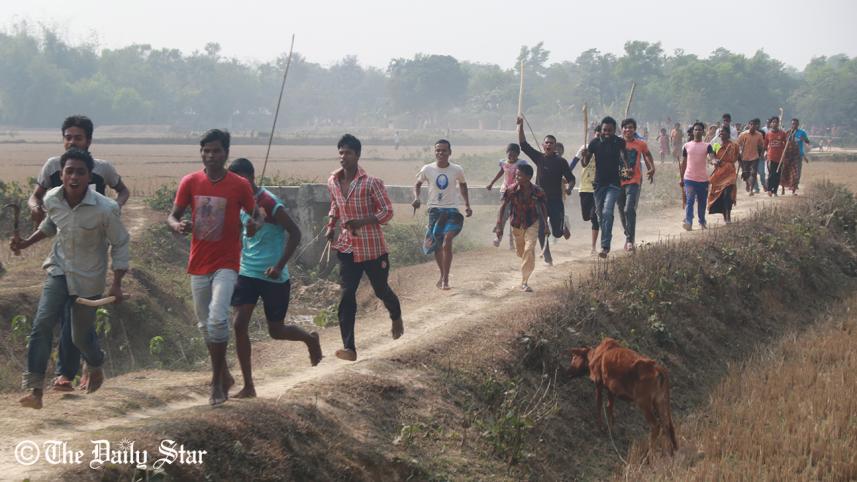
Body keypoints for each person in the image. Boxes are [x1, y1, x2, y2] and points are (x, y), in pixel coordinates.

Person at [12, 148, 129, 409]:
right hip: (59, 271)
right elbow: (50, 225)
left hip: (89, 278)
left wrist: (116, 283)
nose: (74, 177)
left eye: (80, 172)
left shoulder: (106, 209)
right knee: (42, 324)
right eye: (69, 171)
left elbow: (120, 243)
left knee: (80, 337)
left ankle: (95, 363)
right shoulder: (52, 198)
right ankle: (35, 390)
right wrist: (26, 243)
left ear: (89, 177)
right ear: (62, 174)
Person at [168, 129, 256, 405]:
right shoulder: (190, 182)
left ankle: (216, 383)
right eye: (206, 151)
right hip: (198, 262)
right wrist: (177, 226)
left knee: (218, 318)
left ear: (226, 154)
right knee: (205, 325)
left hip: (227, 263)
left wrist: (254, 224)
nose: (211, 156)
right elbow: (172, 216)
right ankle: (225, 375)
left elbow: (255, 215)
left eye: (216, 151)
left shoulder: (239, 185)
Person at [226, 158, 322, 399]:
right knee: (239, 325)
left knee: (276, 331)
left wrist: (279, 266)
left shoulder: (269, 202)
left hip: (273, 276)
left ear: (251, 177)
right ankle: (249, 386)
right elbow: (239, 233)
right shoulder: (239, 202)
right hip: (247, 272)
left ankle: (310, 340)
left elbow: (295, 232)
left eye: (240, 180)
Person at [327, 134, 403, 362]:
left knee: (380, 289)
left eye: (348, 153)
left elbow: (387, 211)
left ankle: (395, 314)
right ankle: (349, 347)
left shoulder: (371, 183)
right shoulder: (333, 181)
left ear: (357, 155)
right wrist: (330, 225)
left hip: (372, 248)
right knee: (346, 294)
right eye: (341, 152)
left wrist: (362, 222)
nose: (343, 157)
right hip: (347, 246)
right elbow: (335, 204)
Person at [413, 139, 472, 289]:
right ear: (435, 152)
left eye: (444, 150)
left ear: (450, 152)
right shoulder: (427, 169)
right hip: (434, 211)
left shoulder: (457, 169)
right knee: (438, 246)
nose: (440, 153)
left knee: (448, 239)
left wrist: (467, 205)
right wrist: (417, 198)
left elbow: (463, 186)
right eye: (438, 150)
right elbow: (417, 184)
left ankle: (446, 279)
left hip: (452, 211)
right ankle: (442, 274)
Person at [516, 116, 574, 266]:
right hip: (540, 200)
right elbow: (523, 145)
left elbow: (571, 178)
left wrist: (569, 188)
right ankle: (547, 257)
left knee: (557, 233)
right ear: (543, 145)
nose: (548, 145)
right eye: (546, 142)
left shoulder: (561, 162)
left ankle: (562, 227)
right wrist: (520, 126)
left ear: (555, 146)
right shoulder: (539, 158)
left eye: (551, 143)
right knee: (541, 229)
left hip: (556, 200)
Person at [494, 164, 546, 292]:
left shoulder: (537, 191)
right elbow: (502, 207)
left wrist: (546, 225)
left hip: (532, 223)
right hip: (516, 224)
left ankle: (524, 282)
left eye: (519, 175)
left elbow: (543, 208)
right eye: (516, 175)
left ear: (528, 177)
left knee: (529, 248)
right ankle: (529, 259)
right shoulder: (511, 190)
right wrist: (499, 225)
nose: (516, 177)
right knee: (521, 252)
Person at [581, 116, 628, 258]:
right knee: (600, 215)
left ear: (615, 130)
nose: (607, 133)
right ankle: (607, 237)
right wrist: (584, 156)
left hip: (614, 184)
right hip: (599, 185)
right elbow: (584, 163)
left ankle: (605, 246)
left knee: (607, 212)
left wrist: (627, 169)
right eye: (604, 130)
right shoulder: (594, 143)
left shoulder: (619, 142)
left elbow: (624, 158)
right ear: (601, 130)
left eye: (610, 130)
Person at [618, 118, 656, 252]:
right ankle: (628, 235)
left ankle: (630, 240)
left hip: (634, 181)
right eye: (625, 127)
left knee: (629, 209)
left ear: (634, 130)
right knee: (621, 210)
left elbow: (647, 155)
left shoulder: (640, 144)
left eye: (631, 127)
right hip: (618, 181)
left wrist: (652, 168)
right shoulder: (616, 143)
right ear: (622, 129)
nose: (628, 130)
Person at [487, 143, 528, 250]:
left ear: (518, 154)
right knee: (503, 215)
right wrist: (492, 183)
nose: (511, 157)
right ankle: (498, 237)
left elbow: (526, 175)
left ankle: (512, 242)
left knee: (514, 217)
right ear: (507, 153)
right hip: (505, 191)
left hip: (517, 192)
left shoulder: (521, 164)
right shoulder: (503, 163)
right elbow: (501, 172)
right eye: (510, 155)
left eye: (514, 155)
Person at [681, 122, 715, 230]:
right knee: (690, 200)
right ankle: (688, 222)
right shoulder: (686, 146)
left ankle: (702, 221)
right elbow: (684, 163)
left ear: (703, 132)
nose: (698, 131)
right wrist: (681, 178)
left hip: (703, 179)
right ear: (693, 131)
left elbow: (712, 157)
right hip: (689, 178)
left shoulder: (707, 146)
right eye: (696, 129)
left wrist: (714, 161)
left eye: (700, 129)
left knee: (702, 202)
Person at [572, 126, 601, 254]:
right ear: (594, 134)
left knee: (594, 217)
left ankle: (593, 247)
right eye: (598, 135)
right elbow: (573, 163)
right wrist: (565, 176)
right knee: (586, 217)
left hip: (599, 188)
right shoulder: (585, 148)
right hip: (584, 187)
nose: (599, 138)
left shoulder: (605, 150)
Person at [708, 128, 739, 224]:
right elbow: (711, 157)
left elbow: (738, 156)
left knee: (727, 194)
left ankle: (728, 216)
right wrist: (714, 161)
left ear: (728, 134)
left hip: (730, 172)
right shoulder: (716, 145)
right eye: (720, 132)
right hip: (719, 173)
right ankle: (725, 214)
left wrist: (745, 170)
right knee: (720, 195)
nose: (721, 133)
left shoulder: (734, 145)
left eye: (723, 131)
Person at [780, 118, 811, 195]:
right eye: (793, 124)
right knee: (785, 172)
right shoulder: (787, 133)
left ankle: (793, 190)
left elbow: (807, 141)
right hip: (787, 155)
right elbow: (783, 143)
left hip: (797, 155)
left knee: (796, 173)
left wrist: (804, 139)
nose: (794, 125)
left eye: (795, 124)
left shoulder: (802, 133)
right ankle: (783, 188)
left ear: (798, 124)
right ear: (791, 124)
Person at [737, 118, 765, 196]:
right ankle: (747, 183)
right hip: (745, 157)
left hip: (754, 157)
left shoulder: (759, 135)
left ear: (756, 126)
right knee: (746, 174)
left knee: (753, 173)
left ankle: (752, 190)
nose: (752, 126)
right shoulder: (743, 134)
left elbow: (762, 145)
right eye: (751, 124)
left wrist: (762, 153)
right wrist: (739, 152)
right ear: (748, 125)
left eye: (754, 125)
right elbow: (737, 144)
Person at [765, 116, 788, 196]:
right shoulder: (768, 134)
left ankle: (775, 191)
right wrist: (764, 153)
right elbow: (765, 145)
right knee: (772, 174)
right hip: (771, 157)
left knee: (778, 175)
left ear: (778, 123)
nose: (775, 124)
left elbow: (786, 143)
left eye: (776, 122)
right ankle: (769, 189)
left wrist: (785, 146)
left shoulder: (782, 133)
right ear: (771, 124)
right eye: (773, 122)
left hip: (780, 157)